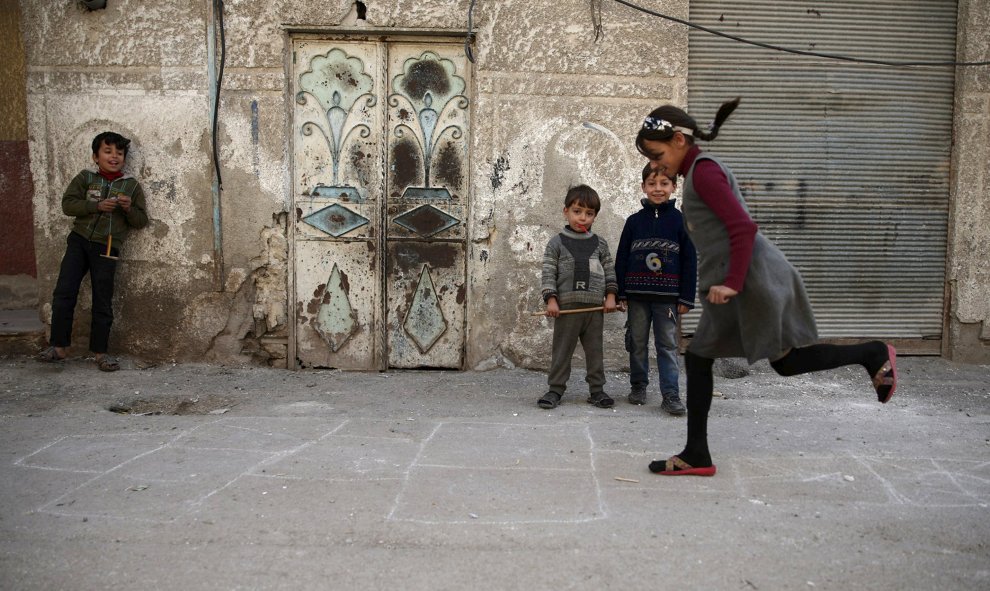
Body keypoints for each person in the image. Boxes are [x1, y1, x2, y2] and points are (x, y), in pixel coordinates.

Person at [634, 99, 897, 476]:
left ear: (678, 140)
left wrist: (732, 283)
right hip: (740, 276)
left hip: (747, 278)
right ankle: (870, 353)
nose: (657, 165)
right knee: (775, 362)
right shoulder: (701, 172)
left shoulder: (704, 173)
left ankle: (696, 454)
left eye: (658, 155)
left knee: (712, 358)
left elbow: (743, 228)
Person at [37, 131, 149, 371]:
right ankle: (59, 347)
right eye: (107, 151)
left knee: (102, 299)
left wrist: (129, 210)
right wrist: (95, 206)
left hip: (107, 246)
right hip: (78, 241)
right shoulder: (85, 178)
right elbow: (68, 205)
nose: (114, 157)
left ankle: (100, 353)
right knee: (64, 292)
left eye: (119, 153)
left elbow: (140, 221)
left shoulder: (131, 186)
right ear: (95, 156)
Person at [615, 164, 697, 414]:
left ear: (674, 187)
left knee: (667, 346)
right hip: (638, 298)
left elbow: (690, 261)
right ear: (643, 187)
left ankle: (671, 393)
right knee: (637, 343)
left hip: (668, 300)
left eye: (664, 183)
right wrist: (620, 293)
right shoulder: (633, 222)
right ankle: (638, 385)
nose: (658, 189)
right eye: (652, 183)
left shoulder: (681, 222)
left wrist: (686, 297)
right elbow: (621, 259)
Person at [538, 184, 619, 409]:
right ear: (566, 211)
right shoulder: (556, 243)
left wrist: (611, 296)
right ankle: (555, 389)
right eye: (577, 211)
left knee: (595, 351)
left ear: (594, 216)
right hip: (567, 308)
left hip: (594, 309)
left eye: (589, 213)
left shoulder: (600, 244)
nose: (582, 218)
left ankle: (597, 390)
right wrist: (551, 300)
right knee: (562, 350)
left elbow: (610, 270)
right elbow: (548, 273)